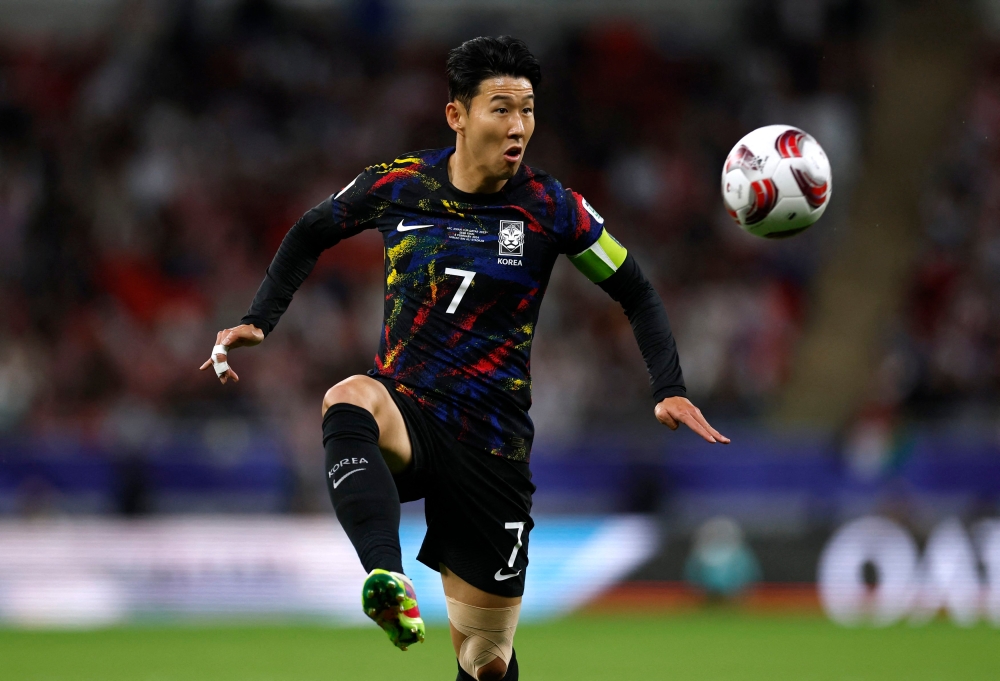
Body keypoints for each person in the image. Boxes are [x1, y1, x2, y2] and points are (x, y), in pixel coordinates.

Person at [200, 35, 729, 681]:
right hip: (412, 410)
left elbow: (635, 289)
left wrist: (666, 385)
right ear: (457, 114)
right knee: (348, 397)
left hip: (493, 446)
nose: (519, 126)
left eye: (528, 110)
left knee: (485, 661)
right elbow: (312, 230)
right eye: (501, 108)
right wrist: (259, 318)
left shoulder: (553, 209)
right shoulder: (400, 184)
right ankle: (386, 576)